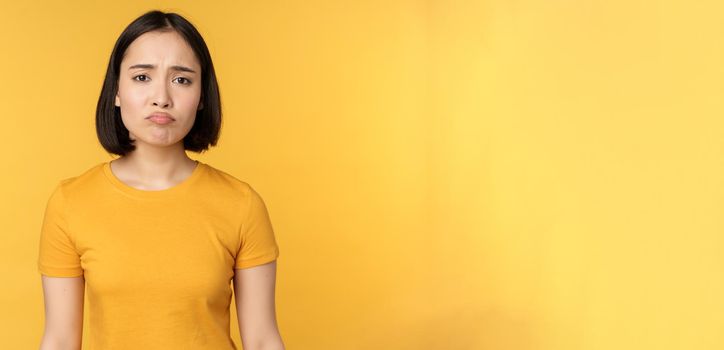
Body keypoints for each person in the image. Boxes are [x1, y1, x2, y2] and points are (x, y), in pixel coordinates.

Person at [37, 10, 285, 350]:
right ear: (116, 91)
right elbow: (61, 340)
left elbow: (261, 340)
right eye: (142, 77)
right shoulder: (71, 202)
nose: (162, 97)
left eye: (182, 79)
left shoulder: (241, 204)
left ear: (201, 98)